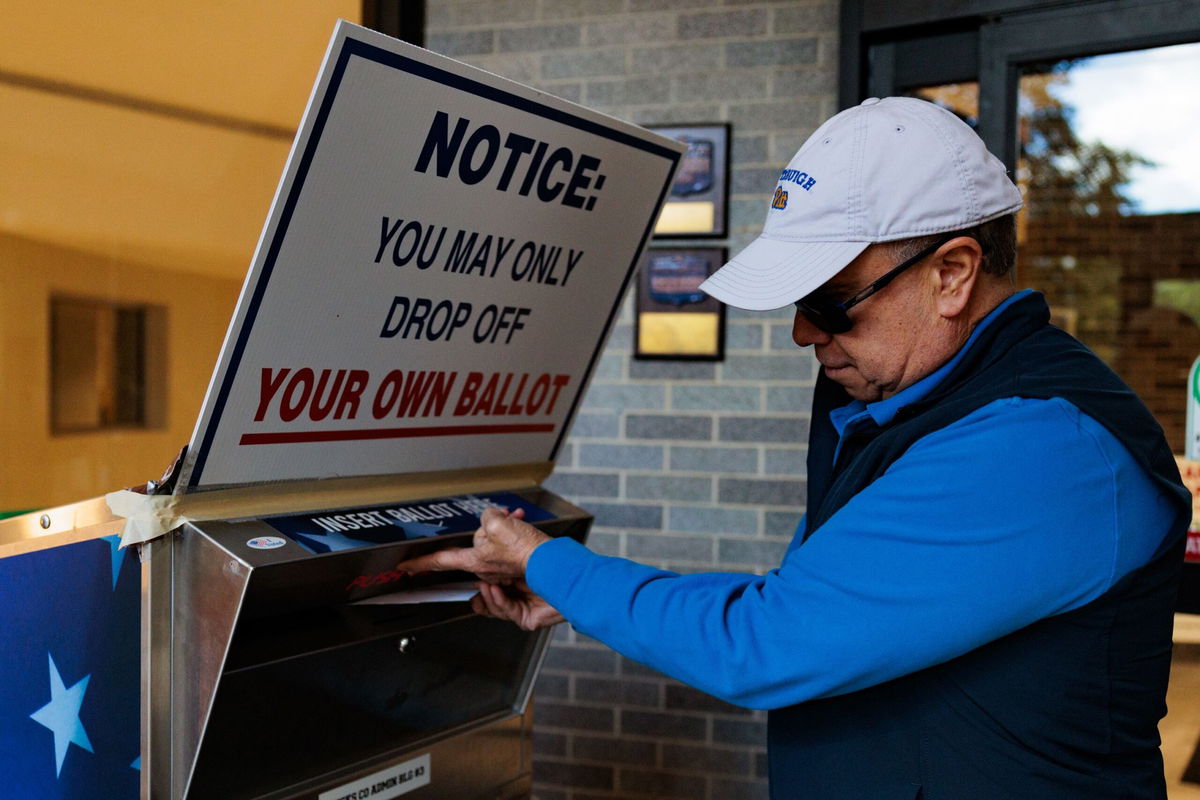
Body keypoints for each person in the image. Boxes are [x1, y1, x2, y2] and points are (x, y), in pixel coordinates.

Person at [399, 97, 1192, 799]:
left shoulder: (1042, 449)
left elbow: (767, 640)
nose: (802, 332)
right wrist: (581, 597)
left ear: (952, 274)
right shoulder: (900, 401)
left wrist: (548, 564)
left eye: (831, 301)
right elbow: (819, 600)